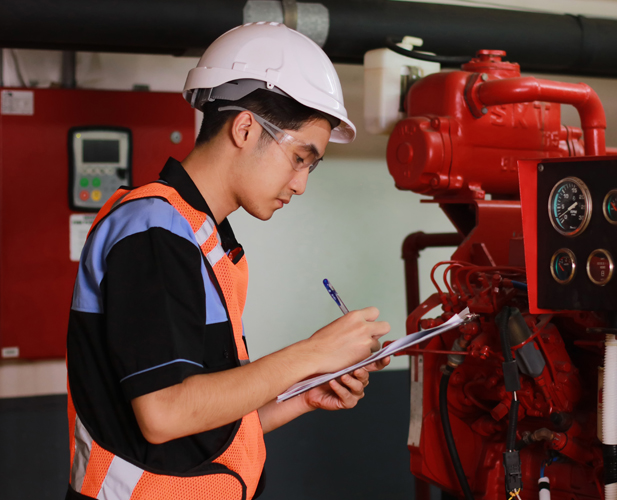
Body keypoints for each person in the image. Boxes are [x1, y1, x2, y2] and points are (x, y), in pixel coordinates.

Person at [65, 23, 390, 500]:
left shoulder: (203, 238)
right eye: (301, 158)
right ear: (245, 128)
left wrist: (301, 396)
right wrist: (313, 353)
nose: (301, 184)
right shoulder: (154, 231)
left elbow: (200, 421)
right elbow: (165, 414)